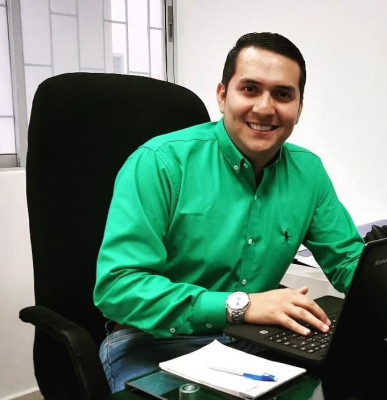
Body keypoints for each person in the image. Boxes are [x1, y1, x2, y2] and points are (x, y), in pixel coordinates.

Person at [94, 31, 364, 393]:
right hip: (154, 343)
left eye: (283, 94)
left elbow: (350, 262)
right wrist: (241, 306)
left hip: (258, 339)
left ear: (299, 107)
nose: (265, 108)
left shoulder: (308, 172)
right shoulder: (159, 163)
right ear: (223, 96)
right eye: (250, 89)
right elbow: (119, 288)